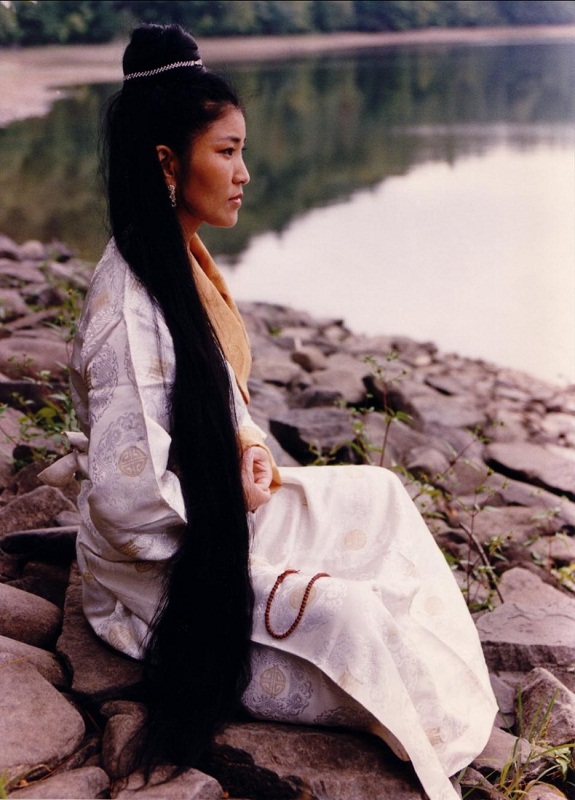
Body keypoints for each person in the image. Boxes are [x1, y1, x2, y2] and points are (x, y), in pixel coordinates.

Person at [42, 23, 497, 800]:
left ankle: (424, 677)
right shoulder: (127, 306)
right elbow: (126, 505)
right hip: (159, 568)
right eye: (226, 152)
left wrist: (248, 444)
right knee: (347, 617)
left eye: (241, 150)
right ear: (167, 163)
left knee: (378, 495)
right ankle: (408, 700)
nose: (244, 173)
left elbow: (216, 392)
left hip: (214, 511)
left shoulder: (174, 257)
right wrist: (230, 497)